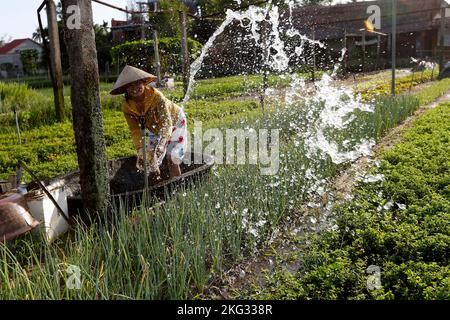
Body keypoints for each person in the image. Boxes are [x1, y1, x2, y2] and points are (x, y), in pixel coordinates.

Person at [110, 65, 187, 178]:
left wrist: (162, 143)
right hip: (154, 128)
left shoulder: (156, 97)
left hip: (175, 122)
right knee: (151, 163)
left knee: (172, 159)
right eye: (130, 85)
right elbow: (135, 130)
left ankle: (178, 189)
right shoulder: (127, 107)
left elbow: (167, 123)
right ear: (125, 88)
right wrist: (140, 149)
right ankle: (158, 190)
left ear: (143, 82)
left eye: (137, 83)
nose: (134, 88)